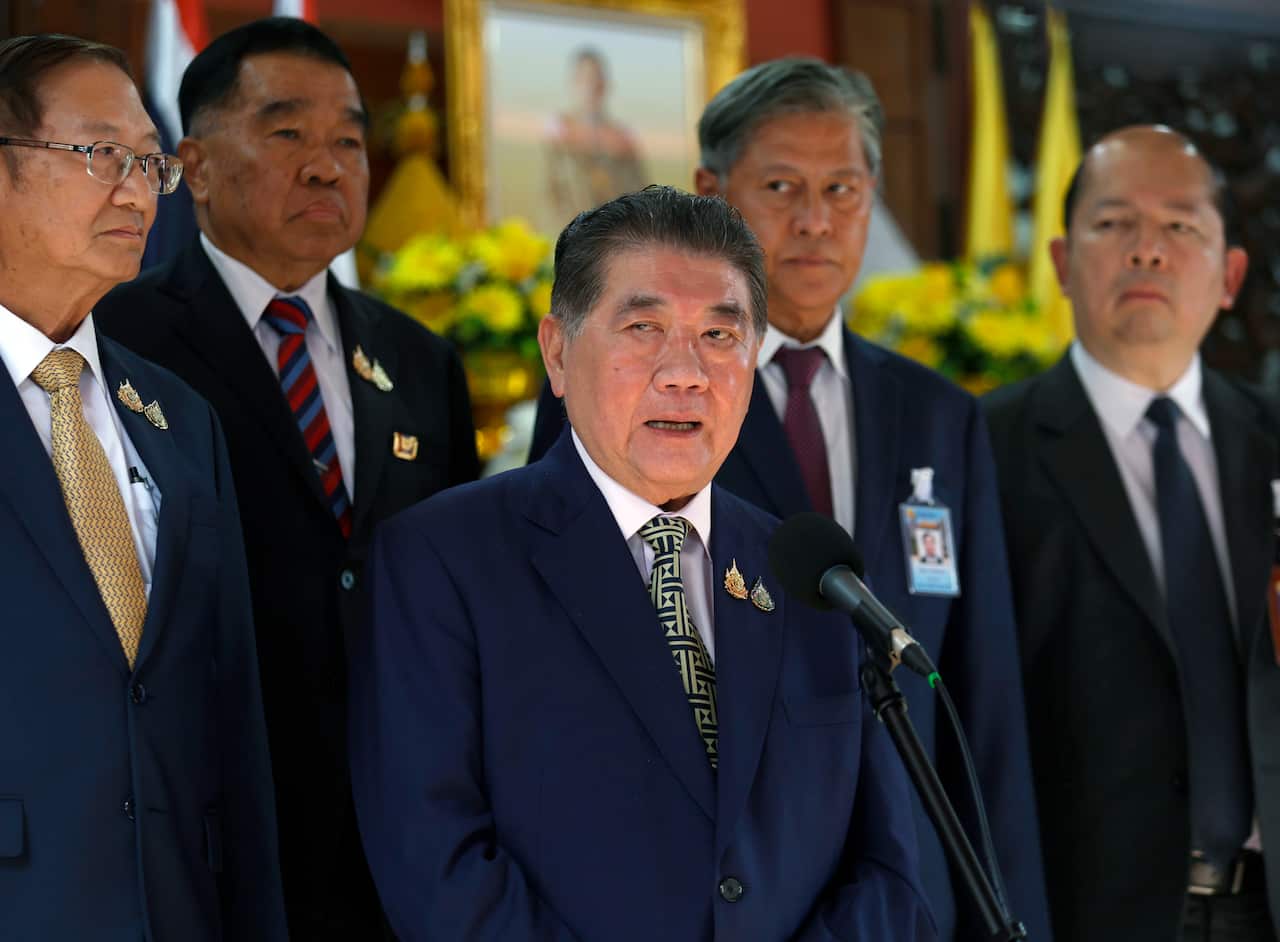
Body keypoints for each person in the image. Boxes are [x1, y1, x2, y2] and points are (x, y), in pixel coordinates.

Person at [528, 56, 1050, 941]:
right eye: (781, 186)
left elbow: (982, 693)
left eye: (844, 189)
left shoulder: (939, 415)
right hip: (718, 886)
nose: (816, 221)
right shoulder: (627, 391)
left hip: (911, 897)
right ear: (710, 189)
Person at [350, 186, 935, 941]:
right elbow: (436, 865)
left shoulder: (810, 574)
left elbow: (887, 869)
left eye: (719, 338)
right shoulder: (443, 561)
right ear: (557, 352)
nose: (684, 372)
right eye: (644, 327)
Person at [95, 17, 480, 939]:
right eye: (286, 133)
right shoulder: (121, 341)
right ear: (191, 164)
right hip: (218, 811)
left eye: (349, 138)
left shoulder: (420, 360)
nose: (328, 165)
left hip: (407, 823)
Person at [0, 33, 286, 940]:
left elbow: (230, 710)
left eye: (149, 163)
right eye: (99, 155)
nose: (136, 191)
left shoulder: (176, 415)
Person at [984, 125, 1280, 942]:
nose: (1148, 250)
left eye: (1181, 226)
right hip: (1088, 912)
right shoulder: (984, 447)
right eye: (1114, 224)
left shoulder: (1273, 438)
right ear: (1060, 262)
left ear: (1230, 275)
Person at [543, 47, 647, 227]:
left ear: (606, 84)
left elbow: (640, 195)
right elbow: (548, 196)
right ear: (574, 82)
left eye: (597, 78)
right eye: (585, 79)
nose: (591, 86)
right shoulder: (559, 130)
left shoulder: (622, 137)